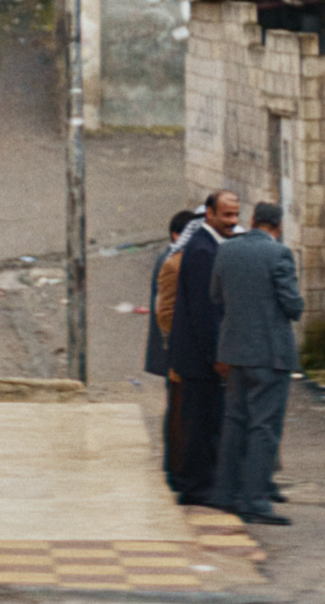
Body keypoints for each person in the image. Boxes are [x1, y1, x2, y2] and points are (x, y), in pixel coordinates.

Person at [210, 201, 302, 526]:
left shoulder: (226, 251)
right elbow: (293, 305)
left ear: (252, 220)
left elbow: (216, 296)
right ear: (278, 225)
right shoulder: (279, 254)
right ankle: (255, 500)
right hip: (270, 354)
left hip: (235, 352)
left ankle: (225, 493)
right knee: (264, 426)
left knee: (235, 421)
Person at [167, 189, 240, 507]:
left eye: (235, 215)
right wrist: (217, 355)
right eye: (226, 215)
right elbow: (205, 311)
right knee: (200, 423)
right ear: (209, 214)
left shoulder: (210, 246)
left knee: (207, 421)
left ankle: (203, 483)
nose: (232, 221)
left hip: (200, 356)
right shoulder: (202, 251)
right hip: (199, 358)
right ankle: (197, 487)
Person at [147, 209, 196, 492]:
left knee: (178, 407)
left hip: (174, 349)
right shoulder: (171, 261)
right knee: (178, 408)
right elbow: (166, 311)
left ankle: (176, 464)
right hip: (174, 349)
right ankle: (175, 466)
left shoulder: (171, 257)